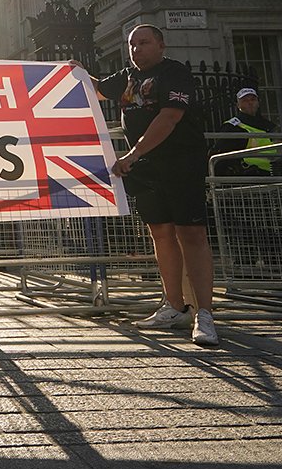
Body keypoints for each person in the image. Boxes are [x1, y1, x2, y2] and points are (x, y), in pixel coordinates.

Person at [76, 24, 219, 347]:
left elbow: (169, 118)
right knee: (161, 232)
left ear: (161, 45)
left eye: (143, 42)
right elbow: (98, 90)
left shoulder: (175, 73)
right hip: (145, 168)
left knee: (191, 234)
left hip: (180, 162)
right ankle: (174, 306)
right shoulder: (128, 76)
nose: (136, 49)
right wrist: (78, 74)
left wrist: (132, 153)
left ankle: (205, 314)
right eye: (131, 44)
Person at [213, 88, 278, 176]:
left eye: (253, 99)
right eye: (245, 100)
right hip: (248, 173)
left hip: (273, 170)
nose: (250, 103)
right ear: (238, 105)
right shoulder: (232, 126)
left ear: (258, 103)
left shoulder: (268, 125)